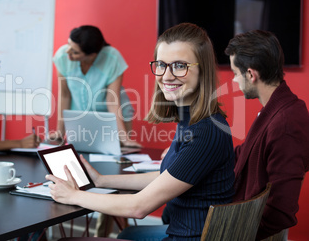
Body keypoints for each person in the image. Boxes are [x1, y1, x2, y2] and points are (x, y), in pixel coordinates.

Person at [45, 23, 235, 240]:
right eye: (162, 65)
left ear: (203, 69)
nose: (167, 76)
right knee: (128, 233)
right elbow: (168, 176)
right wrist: (101, 180)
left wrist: (73, 196)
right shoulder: (192, 119)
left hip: (188, 237)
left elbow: (138, 207)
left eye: (180, 65)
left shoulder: (205, 132)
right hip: (183, 230)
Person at [225, 30, 309, 240]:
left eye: (236, 73)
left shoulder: (285, 122)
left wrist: (238, 234)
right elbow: (243, 153)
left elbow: (280, 212)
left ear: (251, 75)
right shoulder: (275, 108)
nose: (235, 80)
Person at [52, 25, 140, 147]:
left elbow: (112, 100)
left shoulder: (112, 58)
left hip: (112, 118)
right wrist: (59, 132)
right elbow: (65, 95)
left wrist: (124, 138)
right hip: (81, 117)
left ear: (92, 55)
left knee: (117, 153)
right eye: (68, 45)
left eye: (75, 52)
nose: (68, 52)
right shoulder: (62, 57)